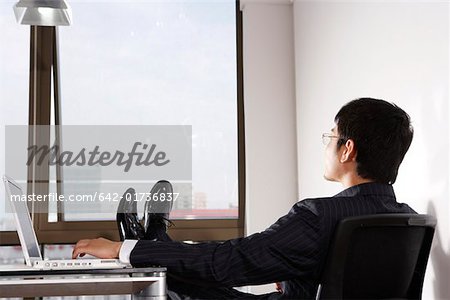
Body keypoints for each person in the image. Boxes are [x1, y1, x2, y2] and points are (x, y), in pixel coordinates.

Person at [72, 98, 416, 299]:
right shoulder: (408, 219)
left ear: (348, 150)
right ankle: (154, 244)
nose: (327, 144)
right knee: (197, 277)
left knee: (203, 276)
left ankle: (142, 246)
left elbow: (227, 264)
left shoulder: (319, 215)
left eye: (331, 136)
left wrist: (119, 250)